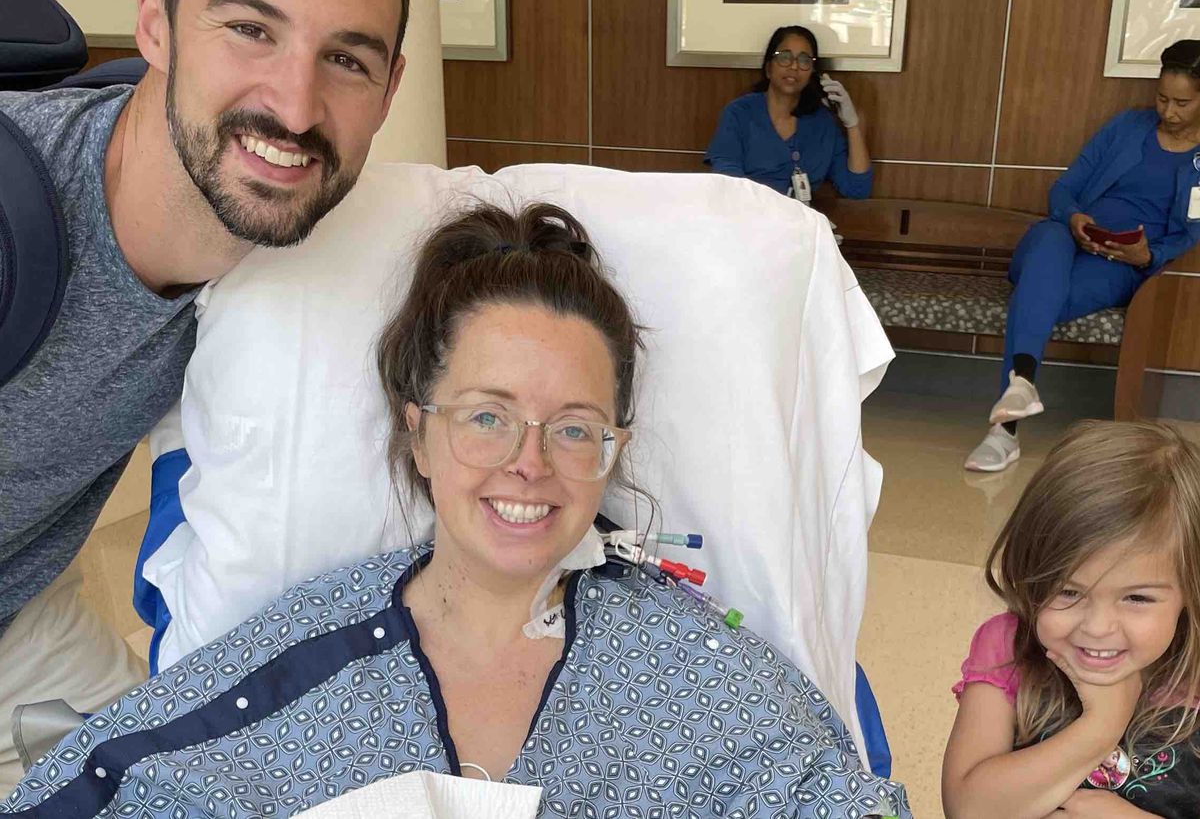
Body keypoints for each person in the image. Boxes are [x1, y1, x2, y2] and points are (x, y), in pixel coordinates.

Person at [3, 203, 911, 819]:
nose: (529, 463)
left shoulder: (697, 673)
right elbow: (107, 784)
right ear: (419, 433)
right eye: (486, 416)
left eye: (574, 428)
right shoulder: (299, 661)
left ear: (614, 451)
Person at [0, 0, 408, 794]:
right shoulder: (17, 216)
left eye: (347, 59)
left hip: (24, 609)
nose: (295, 109)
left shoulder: (280, 250)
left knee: (186, 788)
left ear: (389, 92)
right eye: (251, 28)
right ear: (155, 20)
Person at [943, 421, 1200, 819]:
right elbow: (969, 810)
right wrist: (1102, 727)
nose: (1097, 628)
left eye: (1137, 598)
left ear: (1190, 590)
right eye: (1068, 591)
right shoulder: (1008, 648)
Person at [965, 41, 1200, 473]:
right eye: (1162, 98)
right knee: (1050, 244)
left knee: (1038, 295)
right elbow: (1064, 188)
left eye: (1182, 103)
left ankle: (1013, 407)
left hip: (1119, 266)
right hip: (1060, 240)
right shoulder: (1127, 127)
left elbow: (1190, 235)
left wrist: (1148, 255)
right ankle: (1009, 417)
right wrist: (1073, 218)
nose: (1168, 112)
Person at [705, 25, 872, 201]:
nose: (794, 66)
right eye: (784, 57)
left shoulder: (823, 122)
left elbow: (857, 189)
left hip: (803, 217)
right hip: (749, 215)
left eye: (804, 60)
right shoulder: (739, 114)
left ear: (812, 72)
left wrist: (852, 124)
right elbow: (729, 183)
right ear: (768, 68)